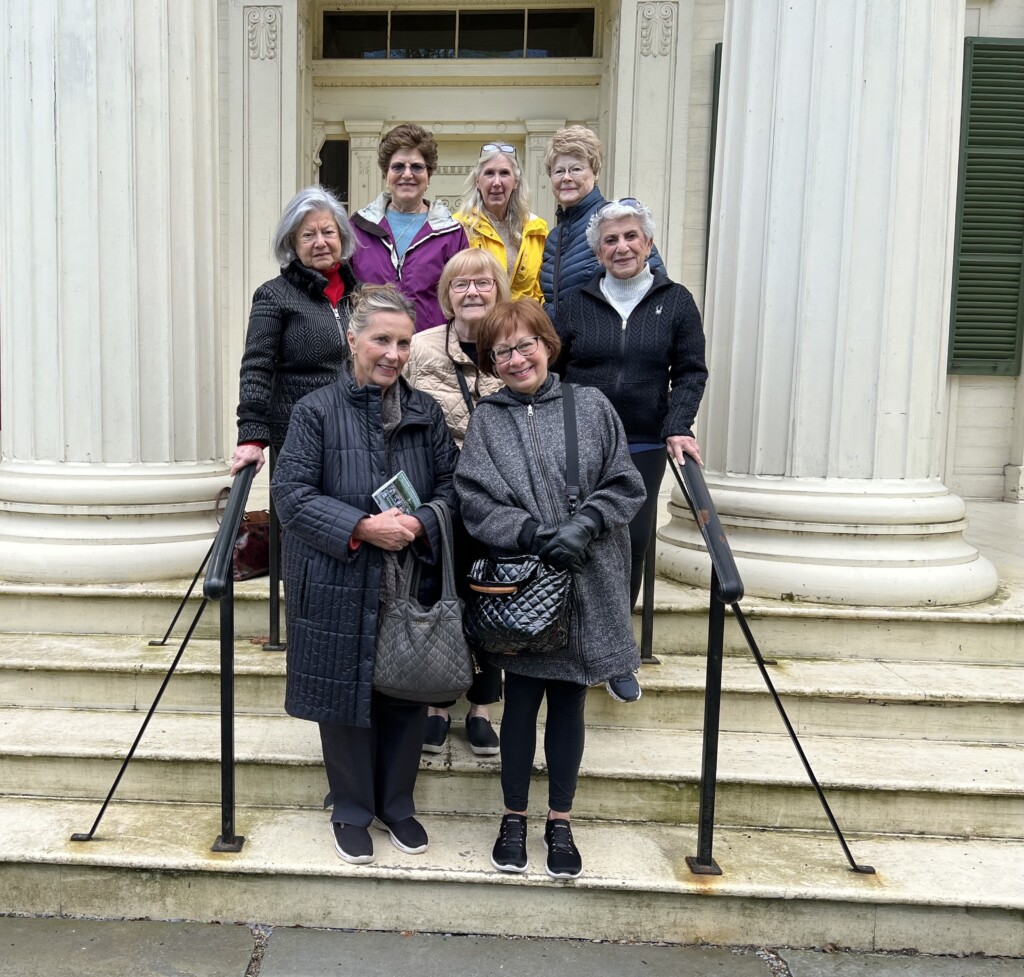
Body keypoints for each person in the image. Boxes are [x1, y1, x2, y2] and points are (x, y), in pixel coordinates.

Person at [454, 299, 645, 881]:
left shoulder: (589, 406)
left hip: (588, 577)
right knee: (521, 707)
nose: (516, 359)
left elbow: (625, 481)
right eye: (501, 351)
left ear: (546, 343)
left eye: (524, 345)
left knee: (569, 704)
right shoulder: (488, 419)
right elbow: (474, 497)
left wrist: (586, 523)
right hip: (525, 584)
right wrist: (530, 534)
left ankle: (559, 821)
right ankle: (513, 818)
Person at [271, 284, 459, 866]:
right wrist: (360, 527)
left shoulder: (425, 412)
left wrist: (425, 521)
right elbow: (292, 495)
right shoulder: (314, 411)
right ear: (352, 340)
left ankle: (397, 804)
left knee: (405, 691)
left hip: (407, 573)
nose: (394, 354)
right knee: (343, 694)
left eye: (403, 342)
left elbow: (454, 490)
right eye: (381, 339)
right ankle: (351, 808)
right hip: (338, 574)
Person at [555, 198, 708, 702]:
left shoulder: (676, 301)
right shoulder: (575, 302)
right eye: (610, 240)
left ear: (649, 244)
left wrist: (678, 424)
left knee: (634, 541)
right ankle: (570, 638)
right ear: (597, 250)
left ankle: (618, 652)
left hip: (642, 439)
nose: (621, 247)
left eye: (630, 237)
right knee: (577, 538)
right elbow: (554, 369)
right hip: (582, 437)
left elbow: (689, 371)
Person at [405, 249, 510, 756]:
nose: (472, 292)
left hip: (498, 494)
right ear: (446, 295)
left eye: (483, 283)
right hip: (438, 492)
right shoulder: (420, 347)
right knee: (437, 593)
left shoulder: (513, 343)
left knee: (490, 595)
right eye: (460, 284)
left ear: (499, 291)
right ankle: (436, 704)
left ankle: (484, 707)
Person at [232, 185, 359, 475]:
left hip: (354, 435)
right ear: (292, 242)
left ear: (341, 236)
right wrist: (251, 437)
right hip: (298, 437)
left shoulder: (361, 297)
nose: (320, 242)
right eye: (308, 235)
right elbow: (256, 368)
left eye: (328, 232)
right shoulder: (274, 296)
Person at [350, 124, 468, 333]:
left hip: (432, 350)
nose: (407, 174)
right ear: (386, 174)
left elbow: (461, 297)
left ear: (428, 175)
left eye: (416, 167)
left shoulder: (452, 233)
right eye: (398, 167)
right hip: (372, 348)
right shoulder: (358, 228)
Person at [538, 125, 663, 320]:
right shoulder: (554, 237)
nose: (567, 178)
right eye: (559, 171)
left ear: (595, 173)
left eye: (576, 169)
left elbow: (657, 295)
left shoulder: (615, 221)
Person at [455, 143, 548, 302]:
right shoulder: (458, 227)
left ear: (516, 182)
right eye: (489, 173)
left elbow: (541, 291)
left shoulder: (536, 230)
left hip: (523, 324)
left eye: (504, 173)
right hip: (478, 324)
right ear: (478, 182)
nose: (496, 182)